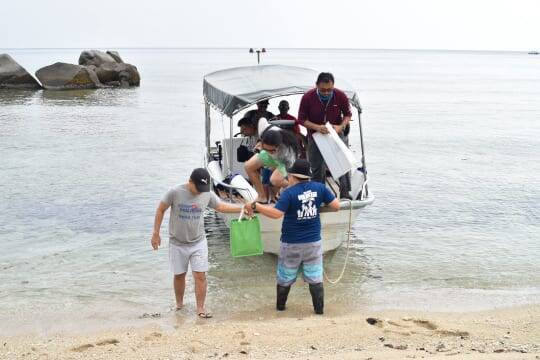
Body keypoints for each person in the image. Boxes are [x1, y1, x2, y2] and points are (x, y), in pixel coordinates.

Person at [151, 168, 252, 318]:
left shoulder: (206, 193)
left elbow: (220, 206)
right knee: (179, 275)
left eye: (202, 189)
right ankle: (179, 304)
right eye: (197, 188)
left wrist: (241, 208)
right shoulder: (175, 192)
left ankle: (200, 308)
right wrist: (156, 233)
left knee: (200, 275)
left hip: (198, 241)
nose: (200, 192)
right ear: (190, 181)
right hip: (177, 242)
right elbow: (161, 209)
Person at [248, 159, 340, 314]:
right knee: (315, 277)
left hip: (291, 243)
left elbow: (276, 214)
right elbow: (336, 206)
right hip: (313, 243)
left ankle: (280, 309)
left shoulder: (288, 193)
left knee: (285, 277)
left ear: (292, 176)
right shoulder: (320, 188)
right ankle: (319, 311)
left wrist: (255, 205)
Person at [298, 72, 352, 198]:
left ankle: (345, 193)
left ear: (333, 86)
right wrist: (317, 127)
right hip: (315, 136)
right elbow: (301, 119)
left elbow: (348, 115)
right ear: (316, 85)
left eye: (329, 90)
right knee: (317, 167)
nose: (326, 93)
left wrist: (340, 127)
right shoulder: (307, 97)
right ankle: (319, 195)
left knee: (343, 163)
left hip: (336, 134)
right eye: (323, 90)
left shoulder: (340, 95)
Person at [244, 128, 298, 203]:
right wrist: (262, 149)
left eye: (272, 150)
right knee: (248, 166)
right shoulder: (264, 140)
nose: (270, 151)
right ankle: (261, 197)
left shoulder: (287, 151)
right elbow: (266, 150)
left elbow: (289, 168)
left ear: (278, 146)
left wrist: (275, 170)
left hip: (284, 161)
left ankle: (297, 188)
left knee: (275, 180)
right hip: (269, 155)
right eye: (266, 149)